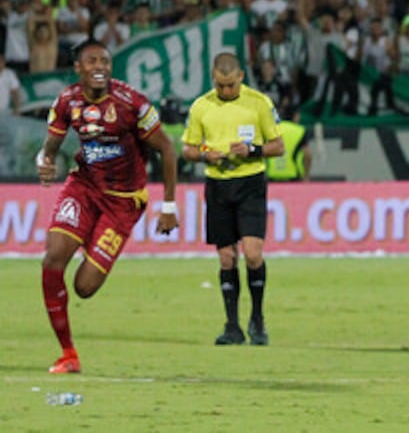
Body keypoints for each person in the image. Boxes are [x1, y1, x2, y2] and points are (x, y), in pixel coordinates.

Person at [37, 39, 179, 374]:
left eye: (105, 60)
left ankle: (94, 241)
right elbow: (50, 148)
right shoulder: (67, 101)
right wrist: (44, 162)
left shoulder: (132, 104)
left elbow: (168, 150)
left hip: (124, 202)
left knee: (84, 288)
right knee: (53, 258)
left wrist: (169, 205)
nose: (99, 66)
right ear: (78, 68)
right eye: (92, 61)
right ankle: (68, 354)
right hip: (83, 187)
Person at [181, 52, 285, 347]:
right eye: (220, 85)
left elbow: (278, 146)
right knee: (226, 257)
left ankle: (258, 319)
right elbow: (188, 149)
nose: (226, 90)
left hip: (250, 183)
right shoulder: (201, 106)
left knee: (253, 254)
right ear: (213, 78)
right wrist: (205, 155)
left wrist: (251, 151)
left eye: (230, 84)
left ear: (241, 76)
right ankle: (232, 326)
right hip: (217, 185)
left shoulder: (259, 103)